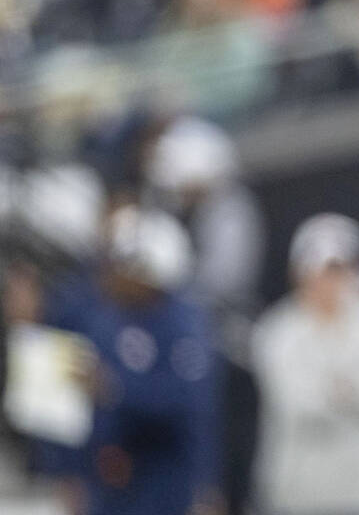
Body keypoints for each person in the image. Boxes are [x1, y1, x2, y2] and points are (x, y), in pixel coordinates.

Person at [38, 204, 223, 515]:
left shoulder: (184, 325)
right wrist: (69, 469)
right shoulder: (105, 317)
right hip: (107, 479)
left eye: (124, 264)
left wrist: (117, 389)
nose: (112, 274)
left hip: (164, 478)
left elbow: (186, 402)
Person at [250, 213, 359, 515]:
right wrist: (357, 390)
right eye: (326, 270)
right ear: (300, 272)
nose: (333, 281)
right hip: (299, 494)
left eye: (343, 268)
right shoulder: (277, 331)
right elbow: (296, 404)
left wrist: (339, 389)